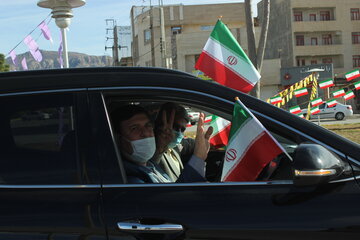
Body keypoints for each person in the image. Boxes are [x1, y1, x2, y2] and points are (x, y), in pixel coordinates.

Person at [111, 104, 212, 183]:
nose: (145, 133)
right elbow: (174, 201)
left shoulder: (150, 165)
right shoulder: (130, 180)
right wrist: (199, 157)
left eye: (147, 125)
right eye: (134, 128)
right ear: (118, 138)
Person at [152, 103, 198, 181]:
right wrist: (160, 148)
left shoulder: (174, 147)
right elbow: (150, 167)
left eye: (182, 129)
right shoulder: (152, 151)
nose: (179, 133)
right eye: (175, 127)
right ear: (161, 125)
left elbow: (190, 144)